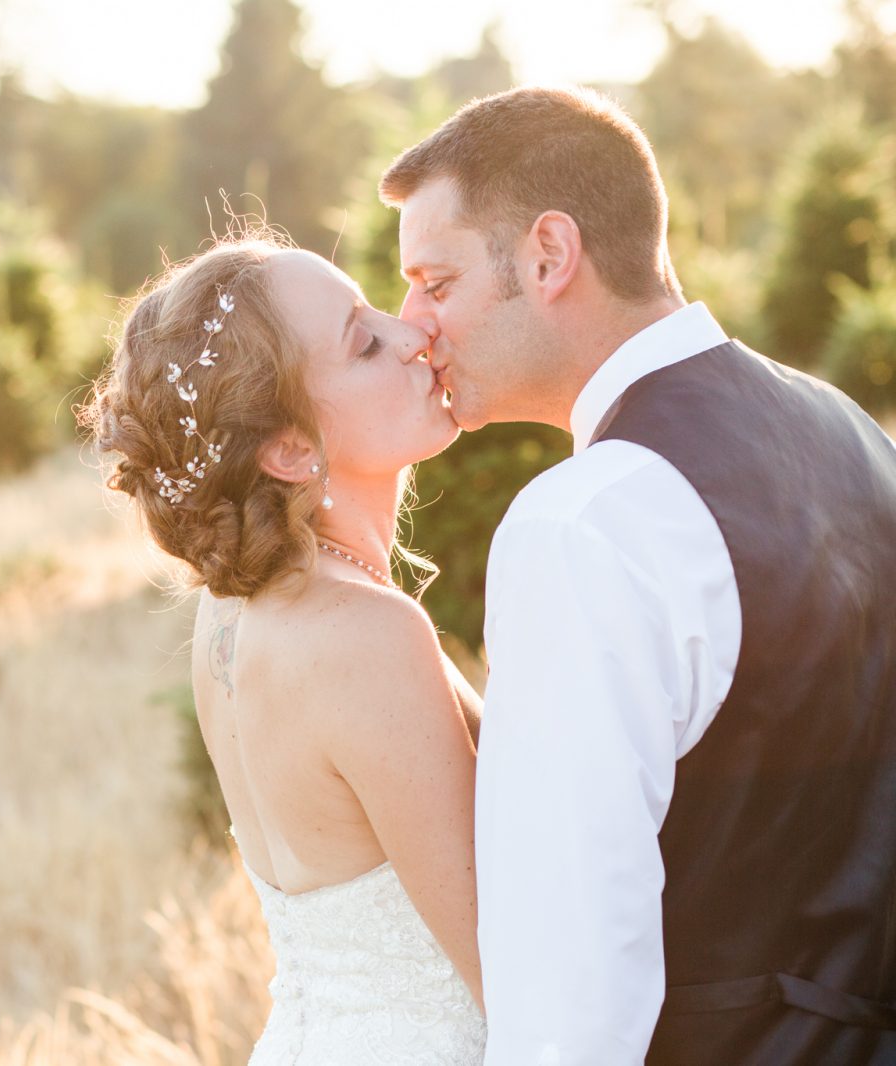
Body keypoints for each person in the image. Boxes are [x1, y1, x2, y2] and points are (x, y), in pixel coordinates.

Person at [381, 85, 896, 1064]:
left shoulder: (586, 521)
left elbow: (570, 987)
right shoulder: (856, 435)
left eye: (435, 282)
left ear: (547, 255)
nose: (414, 324)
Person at [87, 234, 487, 1062]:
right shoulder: (367, 636)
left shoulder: (230, 615)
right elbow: (508, 970)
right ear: (291, 449)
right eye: (366, 342)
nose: (414, 334)